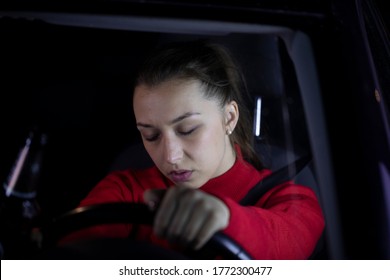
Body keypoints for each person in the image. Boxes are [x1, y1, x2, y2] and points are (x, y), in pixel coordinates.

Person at [60, 40, 325, 259]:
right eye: (150, 135)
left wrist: (223, 217)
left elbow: (290, 245)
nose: (170, 156)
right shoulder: (125, 190)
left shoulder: (285, 197)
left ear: (229, 118)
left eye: (187, 130)